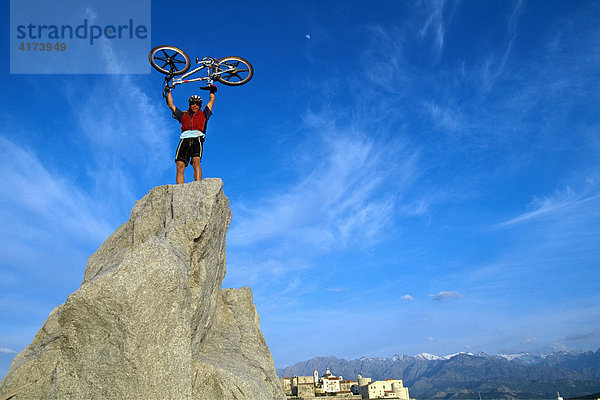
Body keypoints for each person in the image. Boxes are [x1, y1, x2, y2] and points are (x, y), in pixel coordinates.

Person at [166, 86, 216, 184]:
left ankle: (198, 185)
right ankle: (180, 189)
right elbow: (171, 105)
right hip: (184, 139)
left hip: (197, 138)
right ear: (189, 104)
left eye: (197, 104)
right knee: (180, 165)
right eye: (192, 103)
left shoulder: (204, 114)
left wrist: (212, 91)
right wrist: (169, 91)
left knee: (196, 162)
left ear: (200, 105)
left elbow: (211, 100)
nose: (195, 105)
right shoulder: (183, 115)